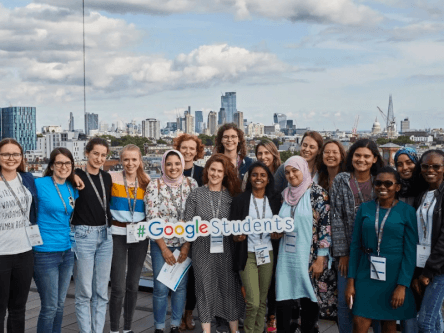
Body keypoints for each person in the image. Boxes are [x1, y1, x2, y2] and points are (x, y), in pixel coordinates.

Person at [345, 167, 418, 333]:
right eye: (378, 183)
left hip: (394, 276)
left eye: (388, 183)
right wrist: (350, 281)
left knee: (389, 325)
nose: (382, 187)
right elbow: (355, 246)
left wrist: (402, 285)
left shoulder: (408, 212)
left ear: (397, 187)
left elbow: (410, 252)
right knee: (359, 321)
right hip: (366, 272)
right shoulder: (365, 208)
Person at [184, 154, 244, 333]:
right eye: (212, 170)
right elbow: (188, 223)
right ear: (207, 171)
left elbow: (237, 224)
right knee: (204, 290)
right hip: (202, 249)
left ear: (225, 174)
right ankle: (207, 330)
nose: (215, 174)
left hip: (226, 249)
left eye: (219, 171)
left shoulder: (232, 196)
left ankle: (234, 330)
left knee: (229, 290)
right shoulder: (196, 194)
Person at [330, 138, 384, 333]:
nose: (361, 159)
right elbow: (336, 218)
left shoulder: (380, 180)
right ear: (351, 156)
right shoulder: (342, 180)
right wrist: (343, 253)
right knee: (346, 301)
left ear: (375, 158)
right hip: (349, 254)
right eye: (357, 155)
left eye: (367, 156)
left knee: (377, 300)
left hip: (376, 252)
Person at [275, 156, 333, 333]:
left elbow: (325, 225)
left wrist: (321, 257)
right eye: (287, 172)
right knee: (284, 297)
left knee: (309, 299)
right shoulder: (285, 195)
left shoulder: (317, 193)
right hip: (287, 256)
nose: (291, 175)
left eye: (295, 170)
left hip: (309, 256)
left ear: (304, 170)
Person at [145, 150, 198, 333]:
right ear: (163, 165)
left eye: (177, 163)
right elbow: (152, 218)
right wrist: (164, 249)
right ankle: (159, 326)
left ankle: (175, 324)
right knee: (160, 287)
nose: (173, 167)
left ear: (182, 164)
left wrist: (186, 245)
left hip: (185, 243)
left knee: (180, 286)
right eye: (169, 164)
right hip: (162, 243)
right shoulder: (154, 185)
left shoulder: (191, 184)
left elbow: (194, 218)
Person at [231, 161, 282, 333]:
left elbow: (280, 226)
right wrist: (236, 237)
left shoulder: (275, 199)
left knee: (262, 300)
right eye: (254, 175)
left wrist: (278, 234)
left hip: (267, 252)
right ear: (249, 178)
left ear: (268, 179)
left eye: (262, 175)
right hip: (248, 254)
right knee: (252, 301)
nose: (258, 178)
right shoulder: (240, 200)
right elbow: (232, 228)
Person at [33, 148, 79, 333]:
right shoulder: (39, 183)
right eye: (59, 163)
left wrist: (76, 178)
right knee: (50, 306)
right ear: (51, 166)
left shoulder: (72, 187)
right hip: (45, 253)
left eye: (67, 163)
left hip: (66, 251)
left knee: (60, 304)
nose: (63, 167)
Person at [72, 137, 113, 333]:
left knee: (102, 292)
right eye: (95, 153)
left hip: (106, 235)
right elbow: (57, 171)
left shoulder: (107, 177)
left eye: (103, 155)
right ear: (87, 153)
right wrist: (72, 174)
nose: (99, 158)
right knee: (84, 292)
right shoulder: (76, 175)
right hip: (84, 235)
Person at [109, 144, 150, 333]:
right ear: (121, 161)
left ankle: (127, 328)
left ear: (140, 161)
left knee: (133, 284)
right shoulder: (112, 178)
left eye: (134, 159)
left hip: (139, 236)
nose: (130, 163)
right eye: (126, 159)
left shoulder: (147, 181)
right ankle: (114, 329)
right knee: (118, 286)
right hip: (117, 234)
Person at [0, 138, 37, 333]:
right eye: (5, 154)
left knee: (18, 309)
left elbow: (53, 180)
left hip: (24, 252)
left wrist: (76, 178)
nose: (10, 158)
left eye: (15, 154)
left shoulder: (27, 178)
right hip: (1, 253)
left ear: (21, 157)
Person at [173, 134, 205, 330]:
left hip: (197, 230)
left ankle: (189, 313)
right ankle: (177, 314)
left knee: (194, 275)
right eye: (184, 148)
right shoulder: (171, 168)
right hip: (174, 231)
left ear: (197, 151)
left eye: (191, 148)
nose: (187, 151)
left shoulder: (202, 172)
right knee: (176, 273)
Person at [412, 150, 444, 333]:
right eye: (425, 166)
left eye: (436, 166)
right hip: (423, 265)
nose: (430, 170)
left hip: (438, 269)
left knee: (425, 322)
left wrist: (428, 271)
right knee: (435, 319)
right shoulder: (423, 194)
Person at [394, 147, 426, 333]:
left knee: (425, 310)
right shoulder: (396, 188)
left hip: (423, 256)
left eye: (409, 162)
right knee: (407, 306)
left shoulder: (427, 188)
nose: (404, 167)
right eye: (399, 164)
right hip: (402, 252)